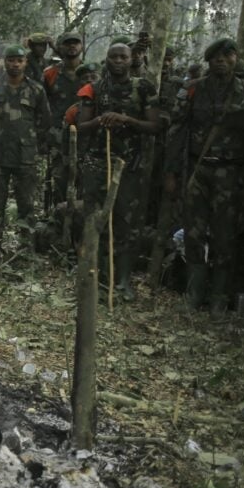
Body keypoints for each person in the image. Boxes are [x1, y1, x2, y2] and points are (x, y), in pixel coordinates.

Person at [165, 38, 244, 316]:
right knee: (194, 233)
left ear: (236, 59)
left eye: (228, 55)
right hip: (199, 170)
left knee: (225, 236)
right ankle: (194, 294)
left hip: (232, 174)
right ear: (208, 60)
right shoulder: (194, 90)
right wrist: (171, 173)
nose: (221, 60)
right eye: (216, 56)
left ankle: (219, 298)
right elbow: (177, 131)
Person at [75, 43, 161, 300]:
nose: (118, 61)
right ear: (107, 60)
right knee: (94, 220)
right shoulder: (94, 88)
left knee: (126, 224)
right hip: (97, 164)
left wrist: (128, 121)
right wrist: (100, 120)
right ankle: (94, 278)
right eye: (113, 57)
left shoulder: (143, 88)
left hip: (129, 166)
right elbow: (81, 125)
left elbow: (155, 126)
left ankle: (122, 282)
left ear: (131, 59)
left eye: (123, 56)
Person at [0, 44, 51, 260]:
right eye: (11, 60)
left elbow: (45, 121)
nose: (15, 64)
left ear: (25, 62)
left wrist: (34, 142)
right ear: (4, 62)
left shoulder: (36, 90)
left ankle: (26, 249)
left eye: (19, 60)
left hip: (25, 157)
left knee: (26, 205)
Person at [42, 31, 85, 216]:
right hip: (58, 138)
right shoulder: (50, 73)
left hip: (85, 135)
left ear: (81, 46)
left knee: (84, 181)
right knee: (58, 180)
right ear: (60, 47)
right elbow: (41, 105)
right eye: (68, 43)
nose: (72, 46)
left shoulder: (90, 73)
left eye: (76, 43)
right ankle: (56, 220)